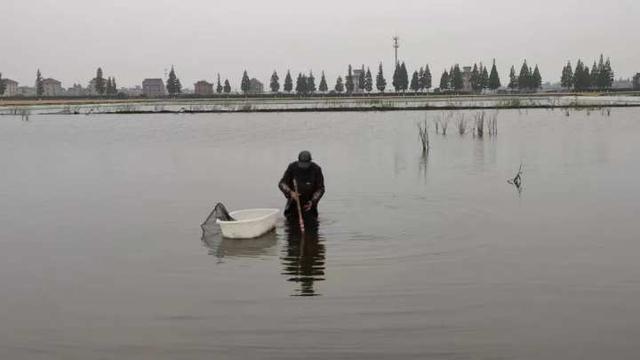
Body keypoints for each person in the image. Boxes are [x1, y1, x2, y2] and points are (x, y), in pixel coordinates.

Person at [278, 151, 325, 221]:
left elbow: (320, 189)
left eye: (306, 164)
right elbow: (282, 183)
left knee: (312, 226)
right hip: (293, 203)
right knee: (291, 225)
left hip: (310, 204)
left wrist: (313, 201)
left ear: (310, 161)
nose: (304, 167)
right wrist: (291, 193)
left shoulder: (316, 169)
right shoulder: (292, 167)